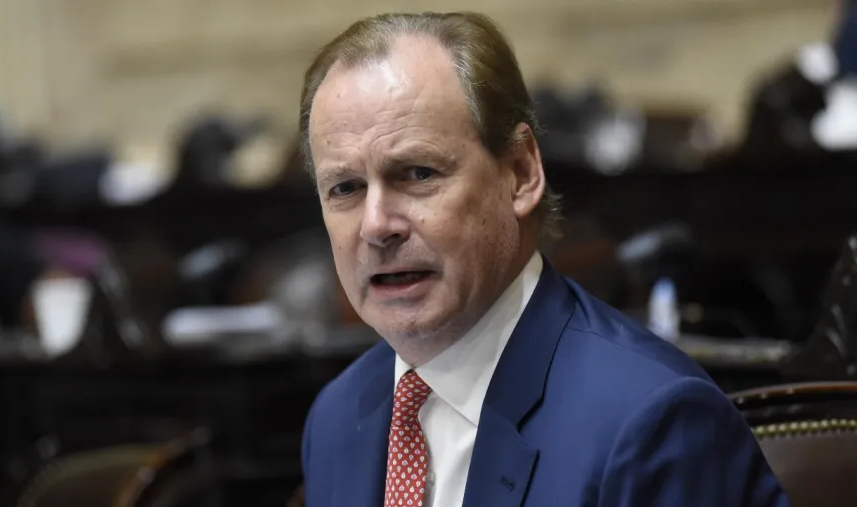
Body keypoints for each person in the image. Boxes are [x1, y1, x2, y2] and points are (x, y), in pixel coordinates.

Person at [298, 11, 789, 507]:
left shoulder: (655, 423)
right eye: (345, 188)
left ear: (521, 173)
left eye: (418, 173)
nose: (376, 225)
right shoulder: (337, 418)